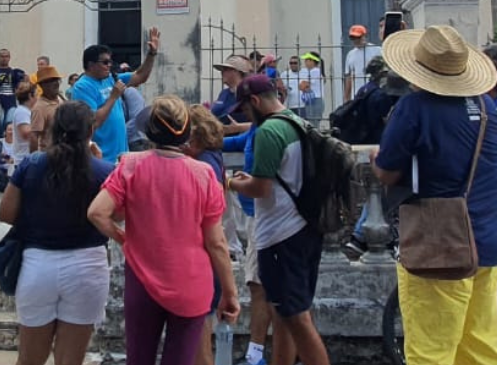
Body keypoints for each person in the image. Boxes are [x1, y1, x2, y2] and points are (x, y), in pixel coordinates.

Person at [371, 25, 497, 365]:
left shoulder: (415, 108)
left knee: (430, 351)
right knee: (480, 348)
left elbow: (387, 171)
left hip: (438, 243)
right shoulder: (487, 107)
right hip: (486, 240)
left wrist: (376, 159)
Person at [88, 95, 240, 365]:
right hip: (192, 281)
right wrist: (230, 293)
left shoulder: (130, 165)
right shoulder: (204, 174)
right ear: (187, 132)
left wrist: (124, 239)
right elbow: (217, 243)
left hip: (142, 279)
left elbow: (97, 213)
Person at [0, 102, 115, 365]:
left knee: (29, 359)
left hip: (38, 264)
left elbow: (6, 213)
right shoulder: (105, 171)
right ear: (90, 132)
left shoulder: (32, 164)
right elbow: (114, 216)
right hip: (88, 266)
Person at [229, 75, 330, 365]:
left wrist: (231, 183)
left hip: (280, 236)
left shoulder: (269, 132)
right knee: (286, 312)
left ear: (256, 102)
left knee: (297, 318)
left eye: (246, 109)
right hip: (306, 228)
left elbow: (260, 188)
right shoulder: (298, 123)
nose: (246, 116)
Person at [71, 27, 160, 163]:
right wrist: (113, 97)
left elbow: (140, 76)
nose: (109, 65)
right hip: (101, 157)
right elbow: (93, 122)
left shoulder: (110, 78)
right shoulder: (82, 87)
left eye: (110, 62)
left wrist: (152, 54)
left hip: (120, 155)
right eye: (105, 62)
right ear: (91, 65)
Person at [182, 105, 228, 365]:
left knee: (200, 343)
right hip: (205, 256)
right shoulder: (212, 156)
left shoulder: (204, 163)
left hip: (202, 257)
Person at [0, 48, 27, 138]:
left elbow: (22, 85)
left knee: (10, 124)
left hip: (11, 103)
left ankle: (9, 144)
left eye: (6, 56)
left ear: (9, 58)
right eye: (2, 56)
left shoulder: (14, 72)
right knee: (0, 123)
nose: (4, 58)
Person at [30, 65, 65, 152]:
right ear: (42, 85)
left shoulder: (61, 100)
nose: (56, 83)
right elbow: (34, 136)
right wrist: (34, 160)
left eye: (57, 80)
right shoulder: (39, 108)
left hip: (65, 154)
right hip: (50, 155)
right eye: (51, 81)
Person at [209, 54, 254, 123]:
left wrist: (237, 128)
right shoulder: (224, 93)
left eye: (226, 69)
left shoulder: (248, 94)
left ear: (236, 71)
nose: (222, 72)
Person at [343, 25, 382, 103]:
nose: (355, 40)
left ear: (364, 36)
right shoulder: (350, 54)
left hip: (374, 92)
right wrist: (346, 98)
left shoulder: (377, 50)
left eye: (358, 37)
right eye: (353, 38)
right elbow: (348, 77)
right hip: (357, 93)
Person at [12, 85, 38, 169]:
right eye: (36, 94)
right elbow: (26, 133)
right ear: (30, 96)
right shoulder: (21, 112)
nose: (38, 97)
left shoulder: (27, 111)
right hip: (24, 160)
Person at [298, 52, 326, 122]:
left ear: (312, 61)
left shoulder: (315, 71)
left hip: (315, 100)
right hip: (312, 100)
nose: (305, 62)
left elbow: (302, 86)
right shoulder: (313, 71)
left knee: (313, 123)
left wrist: (303, 84)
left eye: (307, 60)